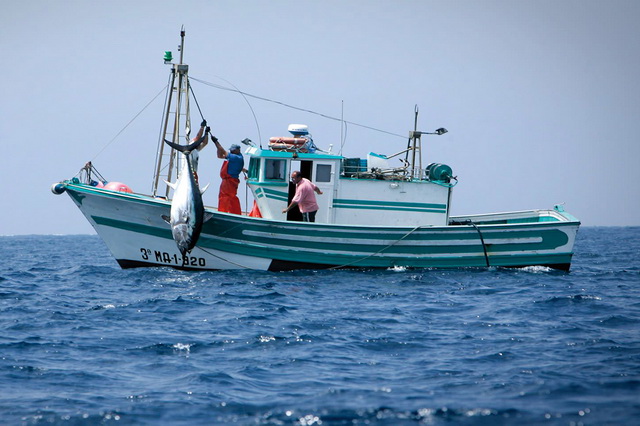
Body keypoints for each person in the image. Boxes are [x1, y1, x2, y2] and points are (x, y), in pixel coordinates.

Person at [210, 134, 246, 215]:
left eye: (233, 150)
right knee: (231, 198)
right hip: (229, 181)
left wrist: (216, 142)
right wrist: (217, 147)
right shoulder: (235, 157)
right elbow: (219, 156)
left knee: (225, 197)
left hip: (229, 181)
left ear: (238, 150)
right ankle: (235, 213)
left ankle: (223, 213)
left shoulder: (236, 158)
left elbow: (223, 151)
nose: (231, 152)